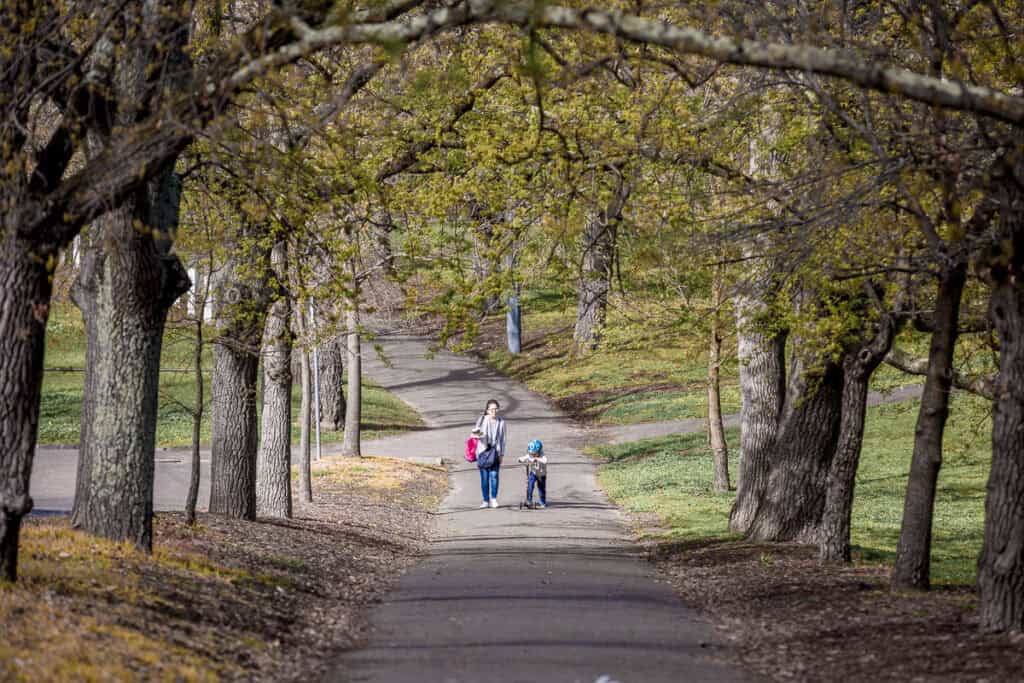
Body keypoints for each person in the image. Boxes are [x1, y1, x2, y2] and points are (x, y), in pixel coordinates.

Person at [475, 398, 507, 508]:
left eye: (496, 409)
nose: (494, 411)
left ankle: (493, 499)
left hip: (495, 452)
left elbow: (503, 439)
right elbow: (474, 433)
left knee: (494, 476)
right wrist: (480, 434)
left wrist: (502, 454)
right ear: (487, 410)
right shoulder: (482, 420)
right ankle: (485, 500)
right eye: (492, 409)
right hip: (483, 451)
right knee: (484, 478)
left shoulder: (501, 422)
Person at [518, 439, 547, 508]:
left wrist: (537, 459)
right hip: (533, 473)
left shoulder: (542, 456)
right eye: (531, 453)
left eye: (534, 453)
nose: (532, 455)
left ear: (539, 451)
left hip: (541, 475)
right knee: (530, 486)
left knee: (541, 488)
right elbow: (524, 457)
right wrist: (521, 459)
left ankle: (542, 502)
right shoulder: (530, 455)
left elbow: (545, 461)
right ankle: (529, 500)